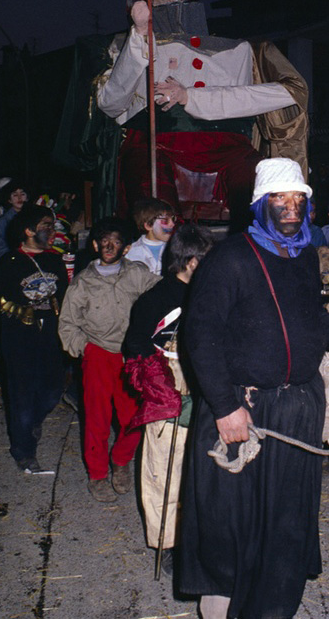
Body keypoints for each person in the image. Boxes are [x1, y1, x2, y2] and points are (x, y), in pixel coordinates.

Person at [177, 157, 329, 619]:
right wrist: (226, 407)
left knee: (285, 524)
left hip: (296, 410)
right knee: (231, 525)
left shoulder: (306, 255)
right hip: (242, 412)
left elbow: (308, 320)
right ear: (259, 204)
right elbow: (200, 337)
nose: (290, 208)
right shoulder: (229, 259)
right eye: (279, 199)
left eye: (298, 199)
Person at [94, 0, 309, 220]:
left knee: (261, 203)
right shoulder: (128, 47)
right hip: (156, 148)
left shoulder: (243, 49)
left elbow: (289, 93)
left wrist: (192, 97)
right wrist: (139, 36)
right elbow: (111, 104)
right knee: (154, 199)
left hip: (229, 150)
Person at [123, 223, 213, 576]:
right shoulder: (155, 299)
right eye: (206, 260)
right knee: (165, 468)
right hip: (168, 383)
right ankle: (168, 542)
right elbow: (135, 346)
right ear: (191, 262)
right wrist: (163, 390)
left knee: (204, 466)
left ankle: (201, 533)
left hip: (205, 382)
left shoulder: (208, 294)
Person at [58, 217, 160, 501]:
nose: (109, 246)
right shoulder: (82, 283)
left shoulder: (137, 274)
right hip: (98, 355)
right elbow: (67, 324)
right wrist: (85, 349)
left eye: (116, 241)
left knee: (134, 418)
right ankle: (98, 475)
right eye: (104, 241)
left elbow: (162, 296)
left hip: (130, 356)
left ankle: (120, 460)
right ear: (95, 245)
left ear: (126, 248)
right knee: (97, 419)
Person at [0, 205, 68, 473]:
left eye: (53, 226)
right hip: (18, 334)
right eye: (46, 226)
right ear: (29, 231)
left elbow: (65, 298)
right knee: (21, 394)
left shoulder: (55, 260)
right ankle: (24, 450)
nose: (52, 232)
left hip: (50, 333)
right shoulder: (9, 263)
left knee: (53, 389)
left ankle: (33, 420)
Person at [124, 197, 177, 275]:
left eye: (173, 219)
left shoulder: (175, 249)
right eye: (165, 221)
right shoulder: (131, 252)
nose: (172, 224)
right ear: (149, 225)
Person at [0, 181, 28, 261]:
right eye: (15, 195)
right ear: (9, 200)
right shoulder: (0, 223)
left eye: (22, 194)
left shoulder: (35, 217)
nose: (19, 197)